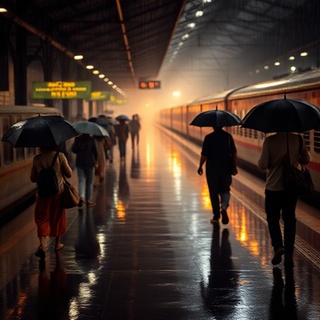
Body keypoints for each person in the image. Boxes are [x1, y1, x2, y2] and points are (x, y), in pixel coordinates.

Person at [258, 132, 310, 269]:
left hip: (273, 188)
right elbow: (306, 159)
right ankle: (289, 255)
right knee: (290, 220)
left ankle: (278, 247)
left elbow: (262, 164)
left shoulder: (269, 141)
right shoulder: (298, 139)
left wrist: (275, 161)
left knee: (272, 217)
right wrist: (294, 158)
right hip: (290, 188)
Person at [30, 146, 73, 258]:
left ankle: (42, 246)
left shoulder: (37, 159)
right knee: (58, 217)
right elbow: (69, 174)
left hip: (42, 194)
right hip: (58, 193)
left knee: (42, 218)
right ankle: (57, 244)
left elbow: (33, 178)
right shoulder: (60, 156)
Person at [197, 126, 238, 225]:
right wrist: (234, 166)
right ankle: (223, 206)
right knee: (225, 190)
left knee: (213, 193)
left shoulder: (209, 138)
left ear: (213, 126)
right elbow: (234, 153)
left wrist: (200, 166)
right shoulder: (228, 137)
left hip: (212, 169)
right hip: (226, 168)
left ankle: (216, 217)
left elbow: (204, 155)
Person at [71, 134, 98, 207]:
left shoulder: (78, 139)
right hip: (90, 163)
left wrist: (79, 147)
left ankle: (81, 197)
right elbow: (95, 152)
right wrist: (96, 162)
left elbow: (73, 149)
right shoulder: (91, 140)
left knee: (81, 180)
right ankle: (88, 201)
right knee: (89, 182)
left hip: (80, 162)